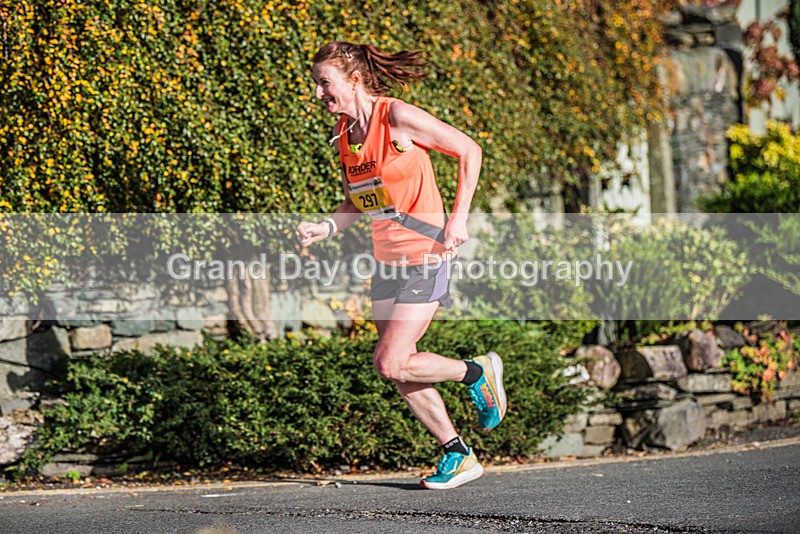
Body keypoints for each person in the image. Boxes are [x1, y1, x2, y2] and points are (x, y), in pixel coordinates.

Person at [296, 41, 506, 490]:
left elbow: (469, 151)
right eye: (316, 84)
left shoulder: (396, 118)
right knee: (398, 363)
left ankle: (476, 372)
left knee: (391, 363)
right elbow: (359, 199)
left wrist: (459, 219)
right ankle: (458, 453)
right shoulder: (343, 137)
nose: (318, 93)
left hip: (426, 254)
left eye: (324, 83)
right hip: (386, 261)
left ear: (353, 80)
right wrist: (326, 228)